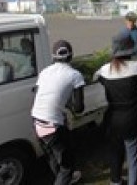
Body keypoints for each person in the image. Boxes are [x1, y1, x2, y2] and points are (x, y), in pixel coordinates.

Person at [94, 31, 137, 185]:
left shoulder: (105, 70)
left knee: (115, 153)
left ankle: (115, 182)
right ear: (130, 50)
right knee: (133, 156)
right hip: (131, 117)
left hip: (112, 118)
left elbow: (98, 79)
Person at [31, 40, 85, 185]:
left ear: (53, 57)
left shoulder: (44, 72)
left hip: (36, 121)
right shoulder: (75, 75)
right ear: (71, 56)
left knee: (52, 156)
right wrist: (69, 106)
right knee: (67, 165)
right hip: (53, 125)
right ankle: (65, 178)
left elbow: (38, 93)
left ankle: (64, 179)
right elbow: (79, 107)